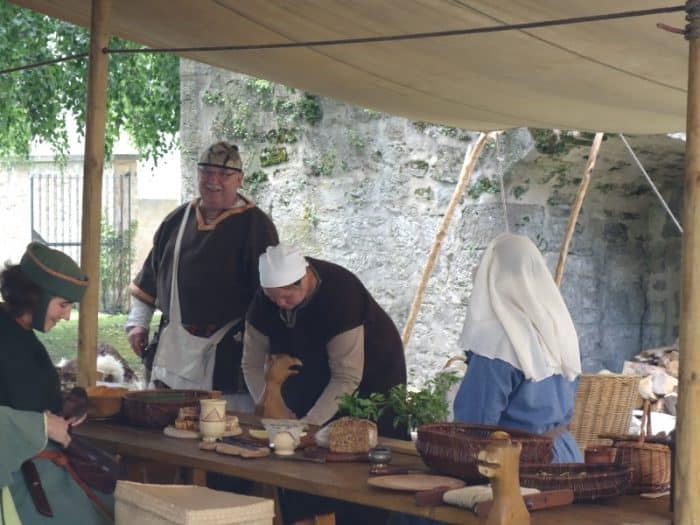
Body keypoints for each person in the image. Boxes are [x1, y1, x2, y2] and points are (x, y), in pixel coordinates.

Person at [126, 142, 279, 409]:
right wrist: (138, 323)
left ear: (239, 179)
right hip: (173, 349)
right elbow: (150, 276)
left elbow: (271, 297)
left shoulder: (257, 227)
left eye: (224, 175)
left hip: (228, 356)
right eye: (206, 172)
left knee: (220, 429)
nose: (213, 181)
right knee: (167, 427)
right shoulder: (176, 221)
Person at [242, 243, 407, 437]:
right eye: (272, 298)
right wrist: (274, 406)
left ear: (304, 280)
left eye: (286, 298)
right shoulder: (263, 301)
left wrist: (307, 425)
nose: (279, 305)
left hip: (369, 377)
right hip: (311, 373)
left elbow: (346, 377)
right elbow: (251, 365)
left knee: (356, 442)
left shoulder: (341, 295)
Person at [0, 242, 113, 524]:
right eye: (63, 304)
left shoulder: (23, 334)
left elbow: (23, 393)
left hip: (45, 465)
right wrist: (42, 425)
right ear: (35, 295)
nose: (66, 316)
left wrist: (65, 404)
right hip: (15, 478)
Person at [453, 232, 583, 463]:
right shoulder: (558, 330)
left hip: (519, 465)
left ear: (490, 277)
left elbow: (475, 426)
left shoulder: (497, 341)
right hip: (565, 456)